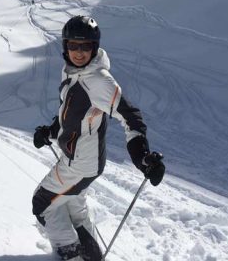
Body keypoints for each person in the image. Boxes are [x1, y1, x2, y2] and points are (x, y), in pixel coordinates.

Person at [32, 15, 165, 260]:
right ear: (65, 47)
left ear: (94, 48)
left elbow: (130, 116)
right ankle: (92, 255)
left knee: (43, 204)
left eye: (85, 47)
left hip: (81, 164)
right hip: (80, 159)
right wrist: (50, 132)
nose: (79, 52)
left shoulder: (98, 80)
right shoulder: (72, 72)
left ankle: (71, 255)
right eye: (73, 45)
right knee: (72, 205)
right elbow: (70, 112)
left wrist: (142, 157)